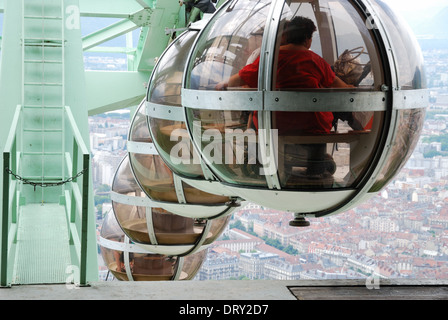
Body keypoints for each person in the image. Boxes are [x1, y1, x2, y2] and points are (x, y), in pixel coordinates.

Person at [216, 16, 353, 178]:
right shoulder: (317, 61)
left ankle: (263, 158)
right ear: (308, 40)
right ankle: (315, 165)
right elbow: (341, 88)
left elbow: (243, 76)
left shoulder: (268, 59)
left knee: (255, 115)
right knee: (322, 116)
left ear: (287, 36)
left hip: (273, 125)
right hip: (311, 127)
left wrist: (222, 84)